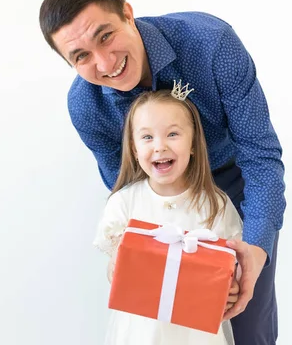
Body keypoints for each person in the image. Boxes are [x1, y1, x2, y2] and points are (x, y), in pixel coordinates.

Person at [39, 0, 285, 345]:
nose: (105, 63)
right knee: (162, 323)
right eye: (81, 56)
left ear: (127, 13)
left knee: (243, 315)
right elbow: (124, 183)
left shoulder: (212, 44)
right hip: (157, 201)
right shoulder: (86, 107)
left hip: (236, 184)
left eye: (105, 36)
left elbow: (260, 154)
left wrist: (256, 249)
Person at [93, 87, 242, 345]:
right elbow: (114, 269)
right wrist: (116, 266)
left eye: (172, 134)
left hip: (197, 333)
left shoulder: (215, 204)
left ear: (193, 144)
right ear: (134, 148)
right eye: (147, 137)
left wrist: (232, 288)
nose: (160, 146)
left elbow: (232, 264)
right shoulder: (124, 203)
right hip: (142, 332)